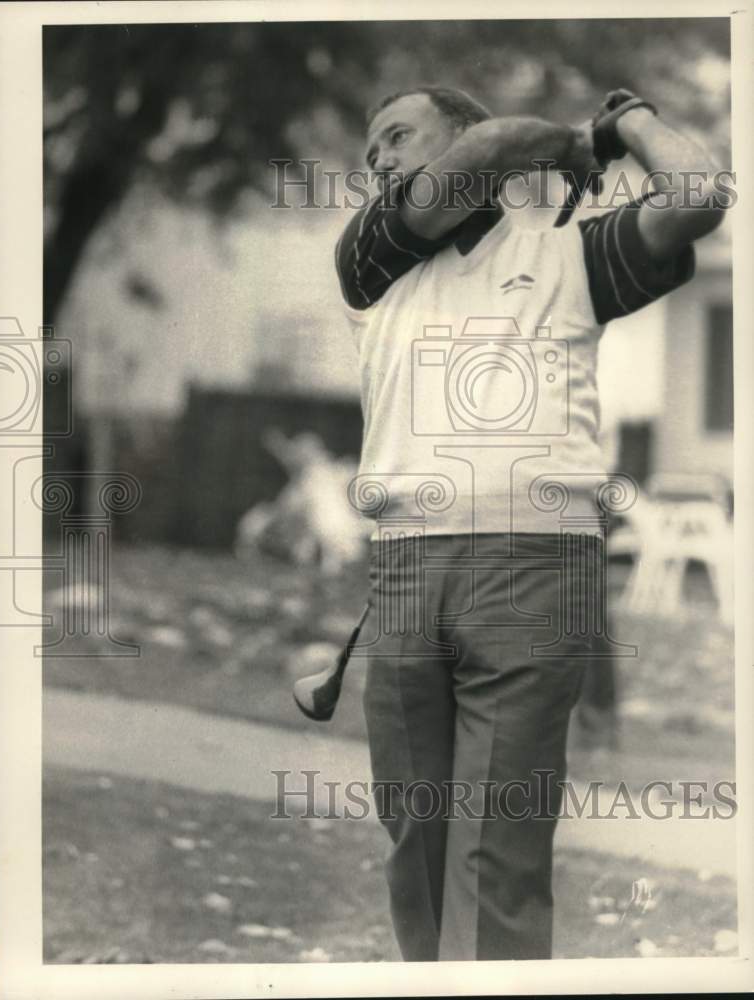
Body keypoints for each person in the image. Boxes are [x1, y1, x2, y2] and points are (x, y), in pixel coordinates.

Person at [333, 84, 728, 961]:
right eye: (372, 153)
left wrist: (630, 121)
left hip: (537, 570)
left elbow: (700, 196)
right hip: (402, 567)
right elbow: (494, 149)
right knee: (418, 844)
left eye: (398, 136)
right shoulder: (371, 258)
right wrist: (568, 144)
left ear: (458, 133)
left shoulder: (572, 256)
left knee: (498, 855)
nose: (381, 162)